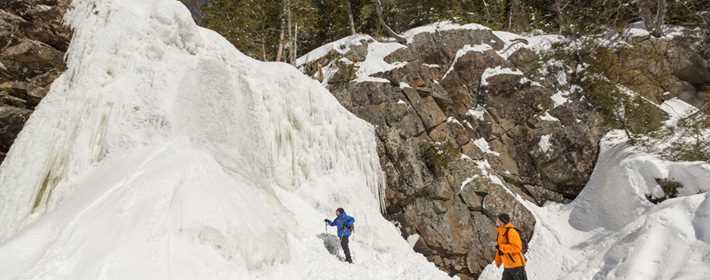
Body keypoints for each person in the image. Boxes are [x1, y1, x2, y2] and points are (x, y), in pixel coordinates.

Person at [494, 213, 528, 280]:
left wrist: (502, 247)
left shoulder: (511, 231)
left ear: (502, 222)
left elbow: (517, 247)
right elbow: (499, 248)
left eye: (498, 220)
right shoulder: (500, 233)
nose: (496, 221)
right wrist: (498, 260)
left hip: (516, 265)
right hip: (507, 266)